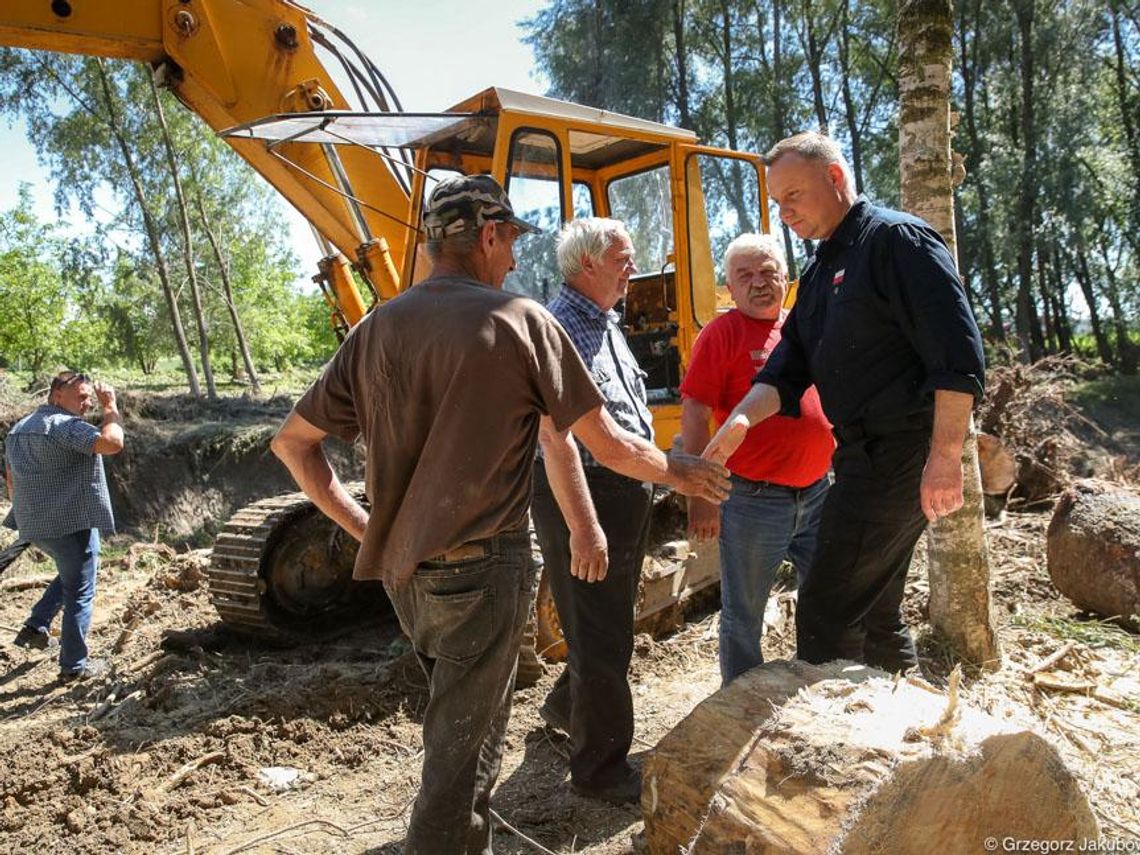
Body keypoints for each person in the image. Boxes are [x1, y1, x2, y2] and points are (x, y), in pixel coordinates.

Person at [270, 174, 729, 855]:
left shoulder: (377, 329)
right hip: (481, 570)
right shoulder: (520, 321)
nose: (514, 259)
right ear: (486, 235)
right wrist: (681, 469)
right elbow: (601, 442)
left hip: (406, 577)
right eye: (510, 240)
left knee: (470, 728)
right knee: (457, 759)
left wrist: (368, 528)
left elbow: (292, 444)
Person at [704, 133, 985, 673]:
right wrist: (741, 418)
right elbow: (788, 366)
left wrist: (945, 458)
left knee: (827, 608)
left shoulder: (897, 241)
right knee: (876, 608)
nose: (783, 213)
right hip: (856, 456)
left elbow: (958, 358)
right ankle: (908, 733)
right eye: (776, 203)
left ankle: (839, 742)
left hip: (902, 455)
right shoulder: (818, 270)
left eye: (793, 197)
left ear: (834, 180)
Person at [530, 217, 655, 806]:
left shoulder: (602, 320)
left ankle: (566, 707)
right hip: (589, 494)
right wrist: (585, 524)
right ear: (587, 266)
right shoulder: (562, 329)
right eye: (623, 258)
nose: (633, 266)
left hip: (617, 492)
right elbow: (561, 437)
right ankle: (601, 770)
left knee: (601, 624)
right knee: (602, 635)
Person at [680, 233, 835, 685]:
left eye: (768, 271)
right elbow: (695, 412)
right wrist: (700, 494)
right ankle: (738, 708)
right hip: (751, 500)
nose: (759, 282)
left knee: (831, 596)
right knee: (744, 615)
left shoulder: (804, 326)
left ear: (786, 277)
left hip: (819, 493)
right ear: (728, 286)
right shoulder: (720, 335)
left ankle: (820, 684)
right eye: (745, 275)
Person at [4, 371, 124, 682]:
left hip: (32, 524)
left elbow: (10, 478)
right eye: (81, 397)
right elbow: (113, 443)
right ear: (57, 395)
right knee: (81, 590)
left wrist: (30, 515)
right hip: (69, 525)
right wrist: (110, 407)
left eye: (89, 397)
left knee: (75, 573)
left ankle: (37, 625)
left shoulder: (19, 428)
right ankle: (74, 666)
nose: (87, 403)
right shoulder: (65, 426)